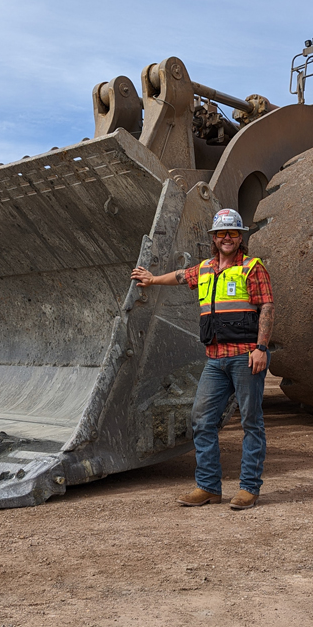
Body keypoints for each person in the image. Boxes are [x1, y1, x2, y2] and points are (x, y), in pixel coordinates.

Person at [131, 208, 274, 510]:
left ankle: (249, 489)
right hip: (215, 360)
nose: (226, 238)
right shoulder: (206, 268)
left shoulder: (252, 268)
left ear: (240, 237)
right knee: (202, 420)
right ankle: (209, 487)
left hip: (246, 357)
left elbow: (267, 308)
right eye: (221, 233)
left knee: (251, 422)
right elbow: (182, 276)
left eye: (232, 233)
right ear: (213, 237)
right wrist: (153, 279)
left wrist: (261, 348)